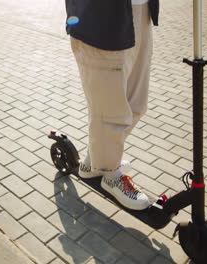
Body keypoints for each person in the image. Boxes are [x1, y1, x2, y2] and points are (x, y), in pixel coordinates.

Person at [65, 0, 159, 210]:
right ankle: (110, 176)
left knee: (136, 104)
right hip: (102, 19)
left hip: (141, 11)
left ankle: (94, 161)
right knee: (109, 111)